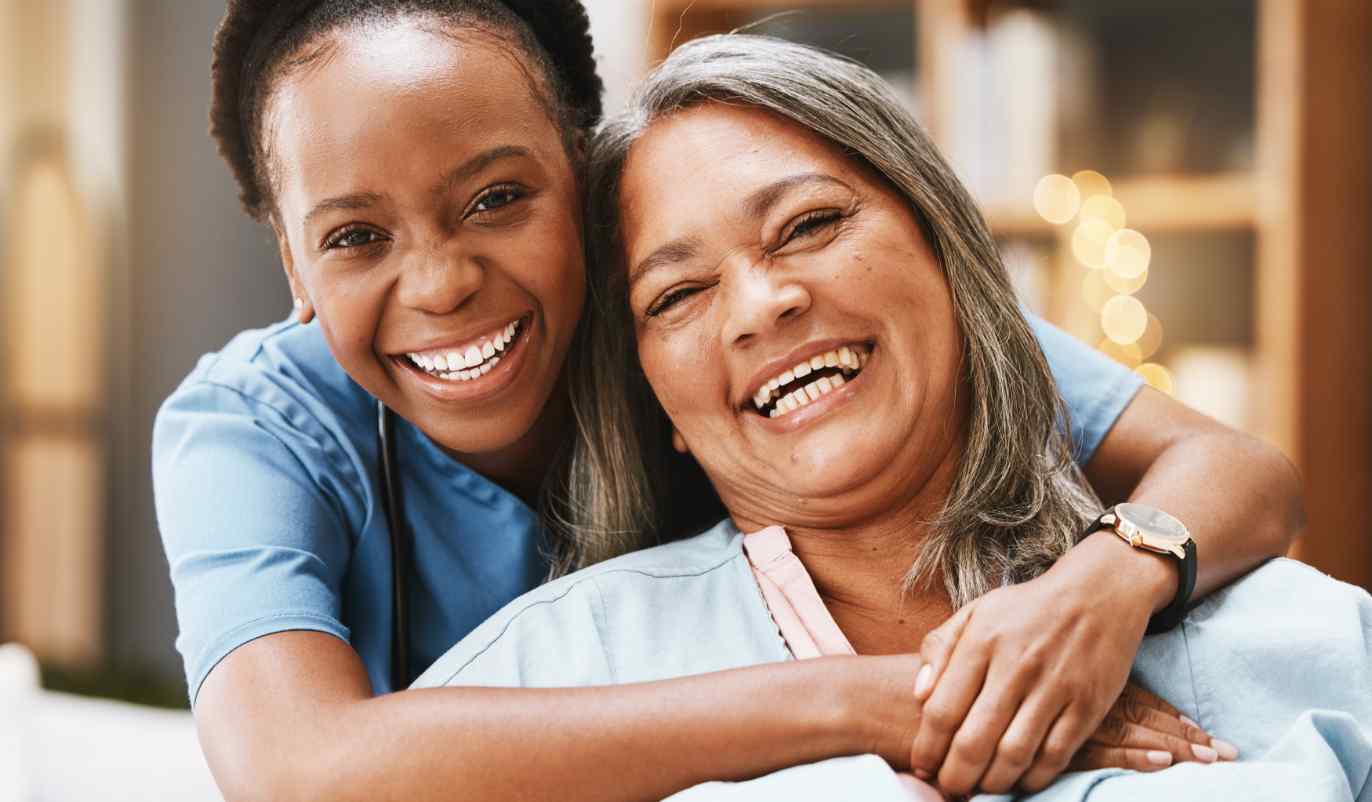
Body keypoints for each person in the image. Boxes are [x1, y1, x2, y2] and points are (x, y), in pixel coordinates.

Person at [154, 3, 1301, 800]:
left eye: (498, 198)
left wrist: (1096, 592)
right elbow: (295, 768)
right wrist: (900, 699)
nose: (444, 281)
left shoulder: (732, 303)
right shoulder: (255, 428)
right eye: (354, 237)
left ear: (583, 170)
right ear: (292, 265)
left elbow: (1235, 471)